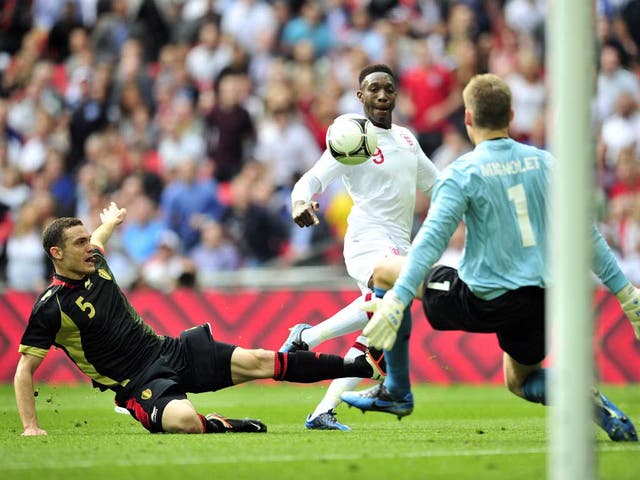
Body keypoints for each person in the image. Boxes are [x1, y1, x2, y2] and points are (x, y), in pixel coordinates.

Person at [341, 73, 639, 442]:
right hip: (540, 301)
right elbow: (585, 234)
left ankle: (397, 391)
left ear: (467, 118)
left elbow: (431, 242)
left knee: (385, 271)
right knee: (521, 380)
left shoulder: (463, 172)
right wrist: (625, 293)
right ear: (512, 114)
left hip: (481, 299)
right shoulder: (547, 164)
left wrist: (399, 299)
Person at [13, 202, 385, 436]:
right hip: (137, 382)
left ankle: (358, 366)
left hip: (168, 350)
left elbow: (98, 237)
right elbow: (24, 370)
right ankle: (222, 425)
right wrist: (31, 426)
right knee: (185, 422)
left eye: (88, 239)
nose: (90, 247)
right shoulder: (50, 308)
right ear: (56, 253)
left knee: (259, 359)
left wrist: (108, 222)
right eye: (79, 244)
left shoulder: (95, 259)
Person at [279, 64, 439, 430]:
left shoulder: (407, 140)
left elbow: (438, 186)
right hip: (368, 239)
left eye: (389, 89)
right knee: (391, 300)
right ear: (360, 96)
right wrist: (299, 202)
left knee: (377, 341)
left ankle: (322, 408)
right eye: (374, 89)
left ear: (396, 95)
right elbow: (313, 178)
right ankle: (309, 336)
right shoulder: (353, 137)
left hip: (400, 243)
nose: (382, 96)